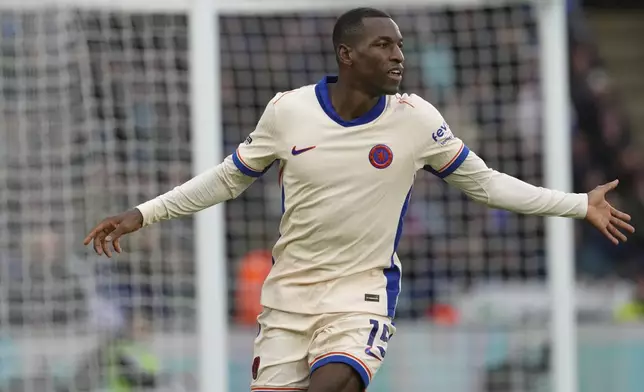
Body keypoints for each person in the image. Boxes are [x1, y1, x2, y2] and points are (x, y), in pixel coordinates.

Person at [84, 8, 634, 392]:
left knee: (334, 379)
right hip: (287, 298)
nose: (399, 56)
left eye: (400, 45)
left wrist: (576, 203)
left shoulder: (416, 120)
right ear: (347, 55)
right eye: (384, 45)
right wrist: (143, 213)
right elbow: (228, 178)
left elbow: (485, 182)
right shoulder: (289, 112)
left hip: (361, 293)